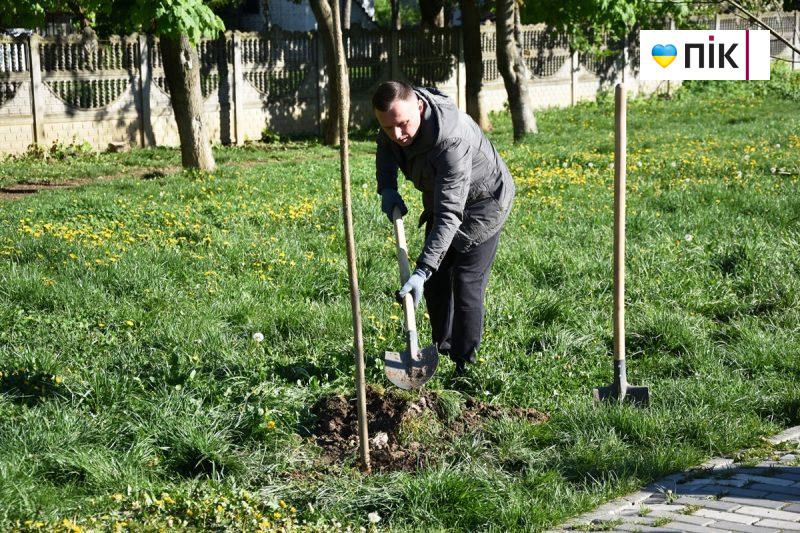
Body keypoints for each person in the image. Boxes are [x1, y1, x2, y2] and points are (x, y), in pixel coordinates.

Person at [373, 81, 515, 375]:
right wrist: (387, 187)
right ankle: (442, 349)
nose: (397, 135)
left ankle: (464, 365)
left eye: (402, 125)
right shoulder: (397, 121)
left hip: (484, 202)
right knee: (437, 282)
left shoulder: (450, 140)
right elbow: (386, 148)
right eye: (388, 128)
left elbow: (450, 214)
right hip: (446, 198)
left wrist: (422, 269)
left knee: (465, 281)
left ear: (419, 107)